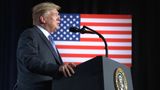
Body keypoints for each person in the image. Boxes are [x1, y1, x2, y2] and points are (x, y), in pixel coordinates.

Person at [15, 2, 76, 90]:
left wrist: (65, 69)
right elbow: (30, 61)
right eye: (55, 15)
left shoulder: (49, 39)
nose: (59, 18)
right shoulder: (30, 34)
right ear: (43, 19)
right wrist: (58, 69)